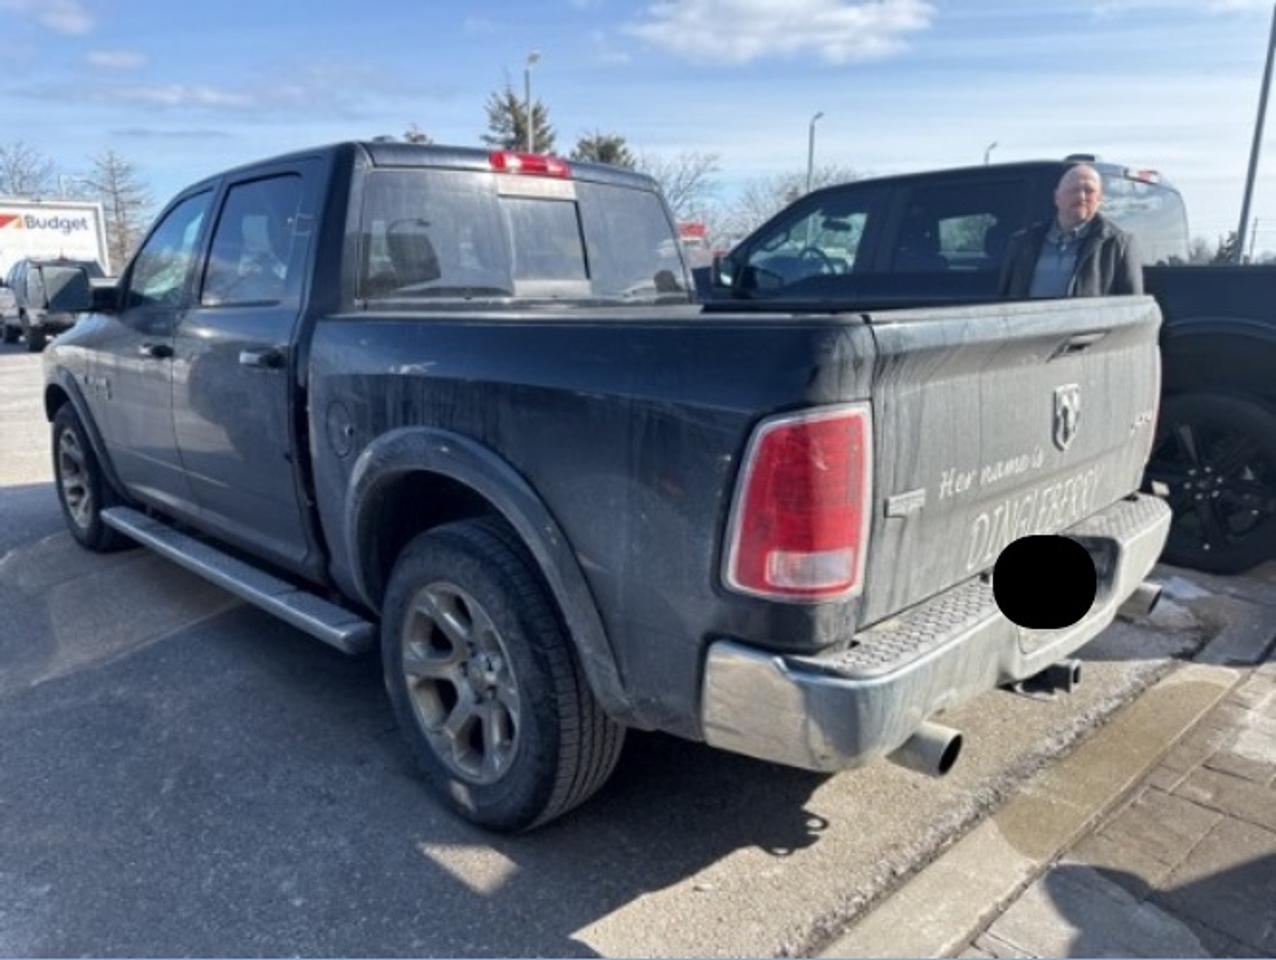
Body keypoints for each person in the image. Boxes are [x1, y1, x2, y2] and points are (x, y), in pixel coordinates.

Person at [999, 164, 1142, 299]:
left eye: (1089, 191)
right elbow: (1004, 302)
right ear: (1057, 197)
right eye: (1073, 190)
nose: (1081, 197)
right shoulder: (1023, 243)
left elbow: (1132, 311)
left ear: (1099, 199)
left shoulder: (1118, 244)